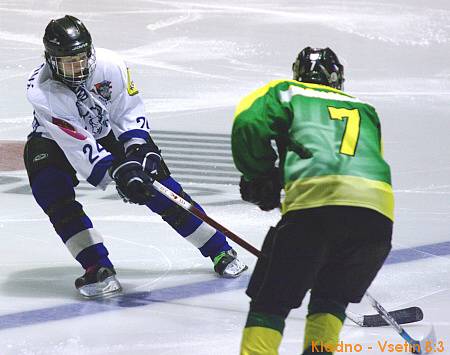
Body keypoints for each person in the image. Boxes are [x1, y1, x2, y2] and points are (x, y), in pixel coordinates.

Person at [24, 15, 247, 299]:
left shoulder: (111, 65)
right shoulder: (41, 91)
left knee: (158, 186)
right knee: (51, 191)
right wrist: (118, 173)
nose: (77, 67)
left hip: (104, 129)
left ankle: (219, 249)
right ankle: (98, 267)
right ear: (51, 60)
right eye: (68, 61)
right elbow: (78, 144)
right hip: (54, 140)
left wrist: (139, 149)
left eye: (81, 58)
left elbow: (128, 112)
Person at [232, 47, 394, 354]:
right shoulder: (365, 109)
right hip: (376, 220)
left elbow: (248, 123)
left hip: (315, 214)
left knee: (270, 301)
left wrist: (261, 174)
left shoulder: (287, 92)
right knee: (330, 300)